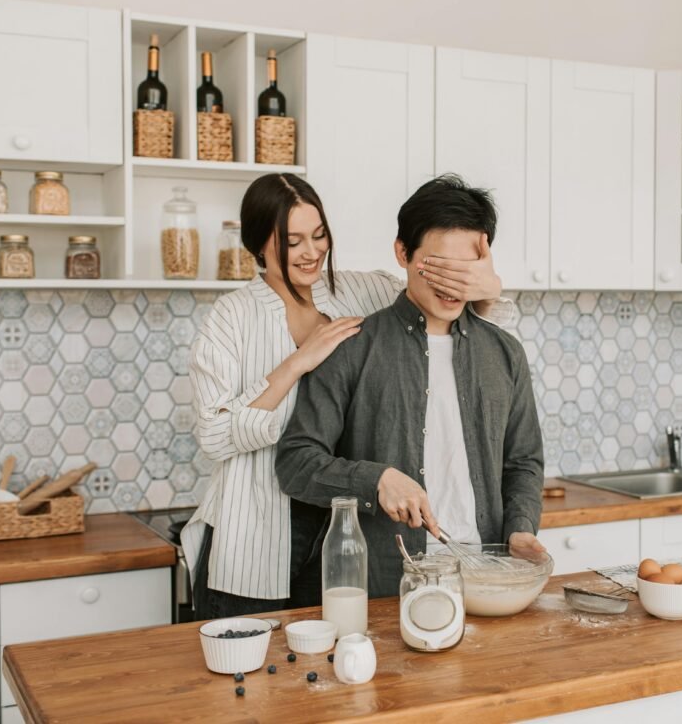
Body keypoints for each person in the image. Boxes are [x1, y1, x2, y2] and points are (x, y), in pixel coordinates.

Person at [182, 173, 514, 618]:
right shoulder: (232, 317)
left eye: (319, 236)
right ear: (258, 245)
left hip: (335, 538)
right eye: (292, 240)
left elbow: (440, 302)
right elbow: (215, 436)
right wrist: (297, 363)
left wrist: (491, 291)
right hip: (254, 535)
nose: (311, 251)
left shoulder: (362, 290)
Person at [276, 175, 546, 598]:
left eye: (467, 268)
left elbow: (523, 463)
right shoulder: (353, 347)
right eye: (439, 266)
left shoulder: (505, 353)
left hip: (487, 581)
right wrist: (375, 479)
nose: (452, 283)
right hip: (387, 585)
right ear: (403, 253)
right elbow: (295, 463)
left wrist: (520, 529)